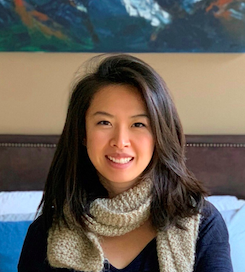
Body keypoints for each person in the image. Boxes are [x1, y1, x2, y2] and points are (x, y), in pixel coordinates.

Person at [18, 54, 233, 272]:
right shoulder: (46, 232)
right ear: (82, 133)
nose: (120, 142)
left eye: (138, 124)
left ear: (159, 134)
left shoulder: (202, 223)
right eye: (104, 122)